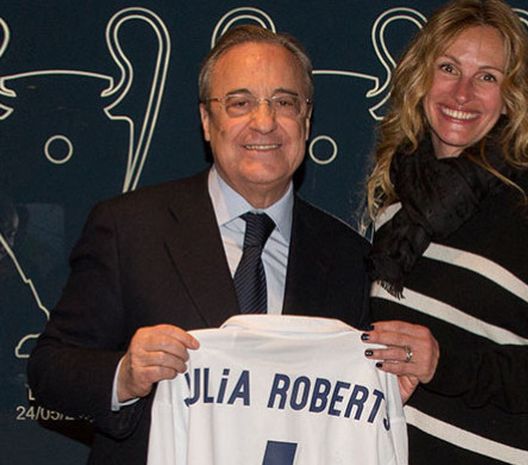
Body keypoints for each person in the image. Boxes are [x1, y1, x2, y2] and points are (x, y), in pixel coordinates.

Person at [27, 25, 370, 465]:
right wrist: (124, 376)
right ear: (207, 122)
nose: (264, 121)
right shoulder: (129, 227)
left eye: (284, 102)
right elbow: (48, 371)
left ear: (306, 120)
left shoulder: (348, 256)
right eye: (240, 102)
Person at [360, 0, 528, 464]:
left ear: (511, 96)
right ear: (421, 78)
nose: (462, 93)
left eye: (486, 76)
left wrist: (448, 364)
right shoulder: (393, 205)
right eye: (448, 68)